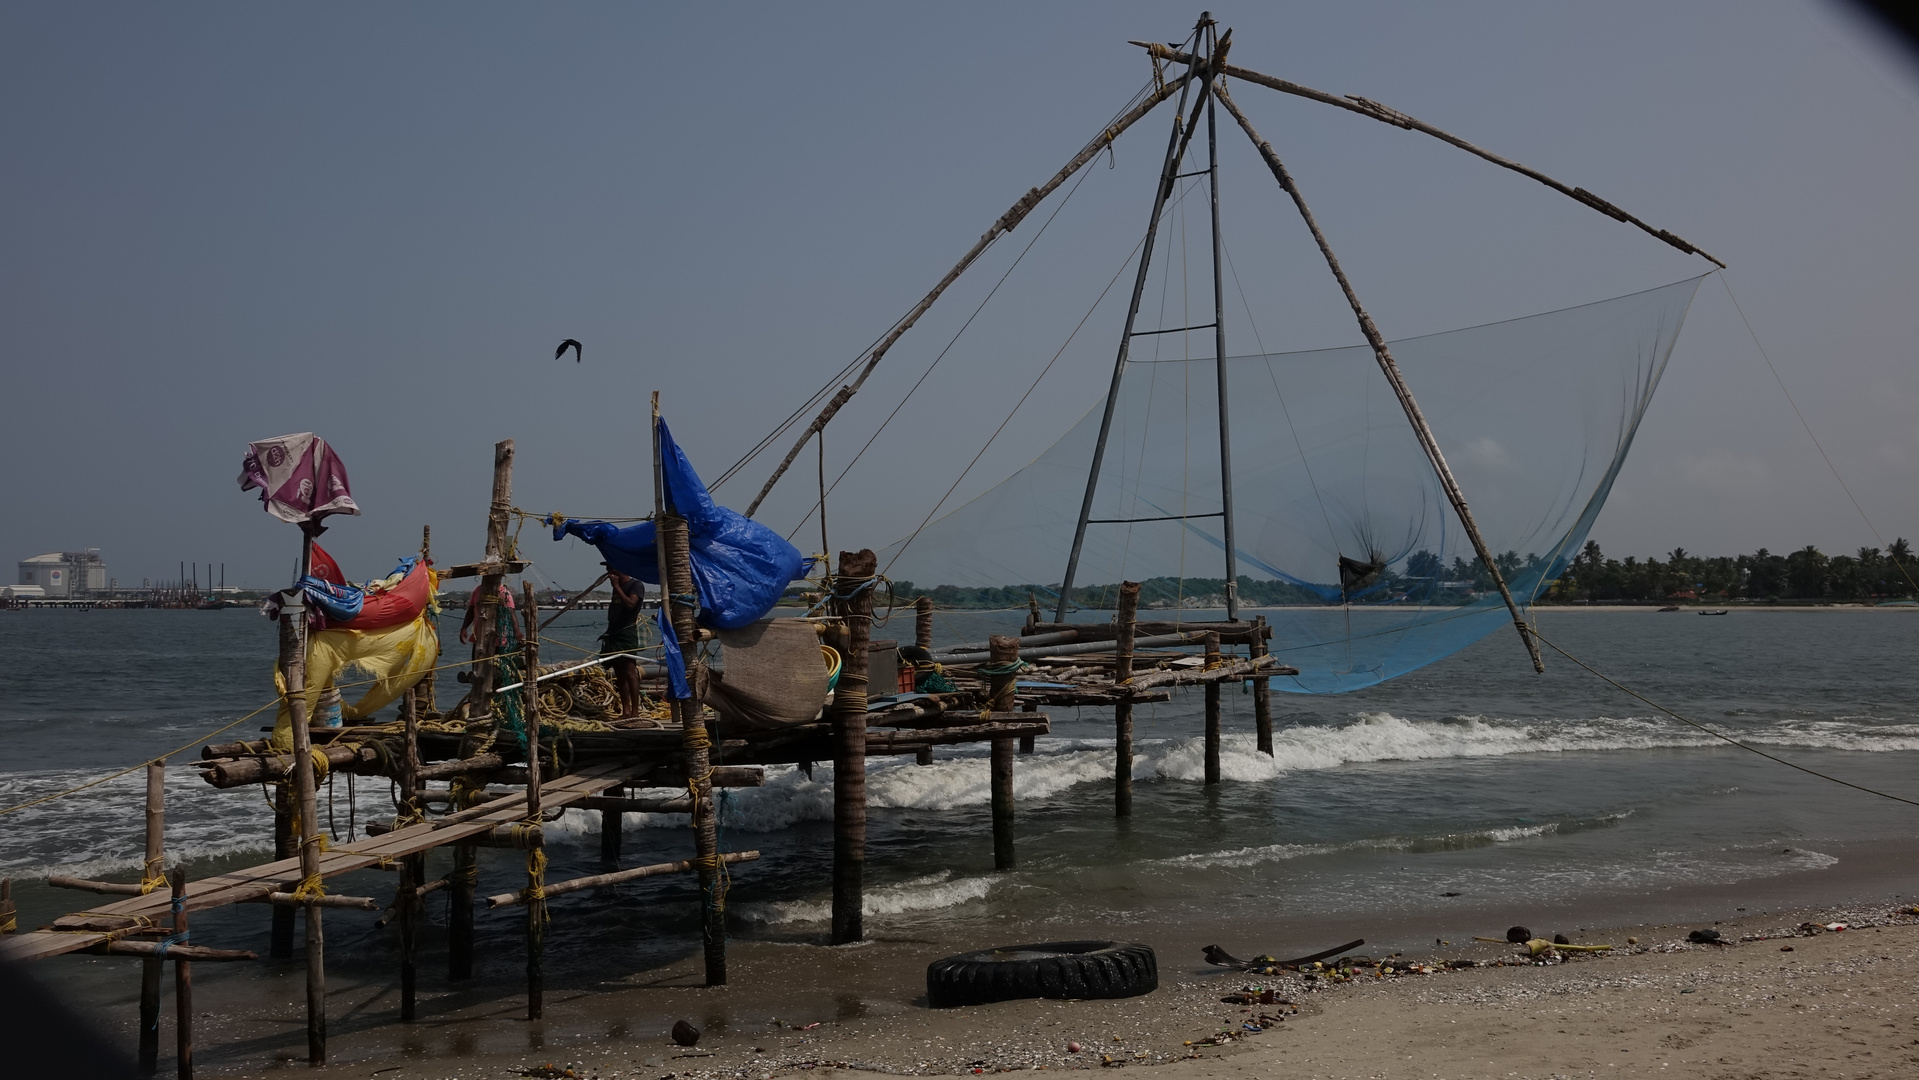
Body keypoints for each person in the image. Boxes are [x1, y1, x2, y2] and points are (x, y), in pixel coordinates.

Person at [602, 567, 645, 719]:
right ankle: (625, 711)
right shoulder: (616, 586)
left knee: (629, 671)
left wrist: (617, 587)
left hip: (627, 633)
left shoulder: (635, 585)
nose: (608, 572)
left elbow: (630, 604)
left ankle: (635, 712)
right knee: (619, 673)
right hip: (613, 633)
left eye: (610, 568)